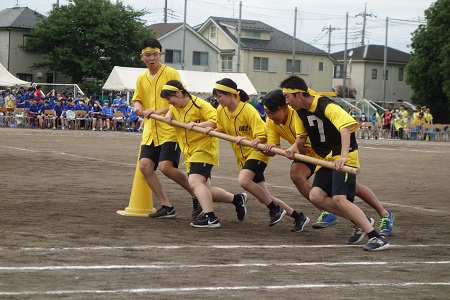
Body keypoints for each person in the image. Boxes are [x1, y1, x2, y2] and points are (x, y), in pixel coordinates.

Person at [262, 89, 394, 240]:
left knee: (351, 187)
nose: (270, 116)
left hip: (322, 152)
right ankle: (332, 212)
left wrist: (292, 149)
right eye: (267, 112)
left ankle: (384, 214)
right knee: (297, 175)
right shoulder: (271, 121)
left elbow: (307, 144)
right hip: (309, 155)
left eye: (272, 112)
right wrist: (267, 148)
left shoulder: (299, 112)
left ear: (285, 107)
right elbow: (273, 147)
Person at [206, 78, 309, 230]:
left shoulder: (247, 109)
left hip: (256, 153)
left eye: (219, 96)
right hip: (242, 157)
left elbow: (262, 134)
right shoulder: (221, 111)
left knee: (244, 181)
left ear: (231, 94)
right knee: (265, 196)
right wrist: (213, 131)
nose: (217, 100)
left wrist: (253, 140)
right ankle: (298, 217)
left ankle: (275, 210)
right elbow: (222, 128)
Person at [161, 80, 248, 227]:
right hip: (189, 152)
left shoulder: (200, 105)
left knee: (194, 182)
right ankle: (237, 199)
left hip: (204, 149)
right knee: (206, 191)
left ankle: (211, 218)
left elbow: (216, 121)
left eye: (171, 100)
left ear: (179, 93)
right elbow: (172, 108)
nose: (171, 103)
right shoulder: (175, 106)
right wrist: (169, 113)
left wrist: (198, 125)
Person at [132, 37, 200, 219]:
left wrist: (157, 111)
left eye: (155, 54)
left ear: (161, 55)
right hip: (150, 131)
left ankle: (197, 196)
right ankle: (166, 205)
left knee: (165, 167)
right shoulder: (141, 78)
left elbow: (180, 100)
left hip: (169, 128)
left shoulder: (171, 73)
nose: (152, 58)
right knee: (145, 166)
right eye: (148, 55)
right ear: (142, 57)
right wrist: (137, 107)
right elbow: (137, 98)